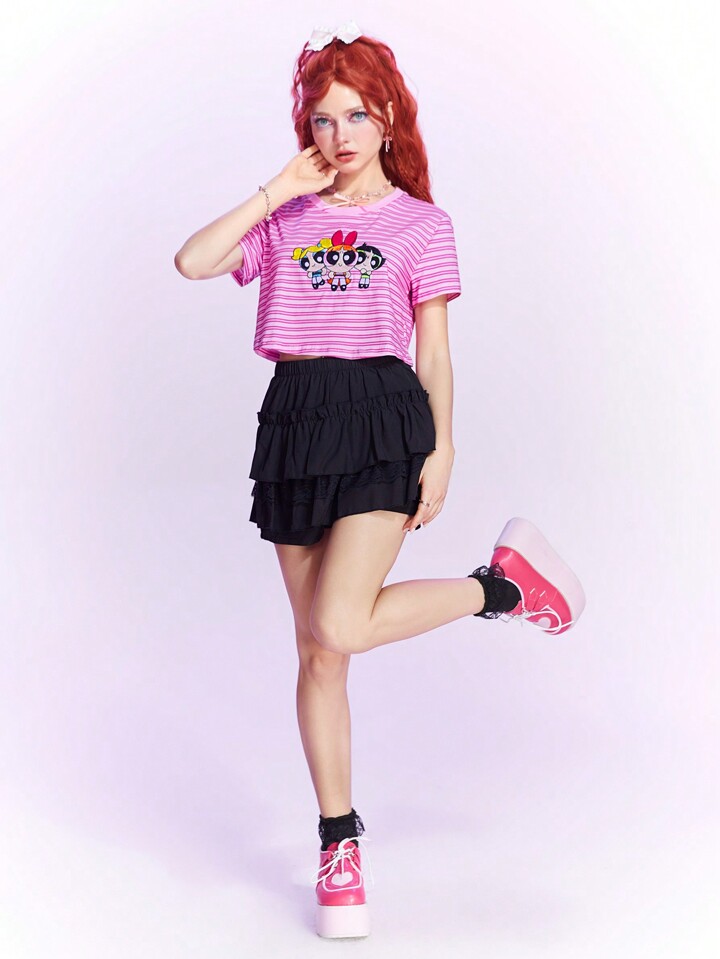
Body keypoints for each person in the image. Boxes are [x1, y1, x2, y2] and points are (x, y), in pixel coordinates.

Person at [174, 20, 586, 941]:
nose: (341, 135)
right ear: (306, 130)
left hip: (379, 419)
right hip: (294, 421)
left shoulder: (421, 224)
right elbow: (193, 260)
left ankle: (500, 588)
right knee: (320, 654)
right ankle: (339, 844)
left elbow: (434, 349)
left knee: (338, 622)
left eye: (358, 114)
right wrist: (277, 188)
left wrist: (443, 448)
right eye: (323, 119)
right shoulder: (285, 215)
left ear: (389, 118)